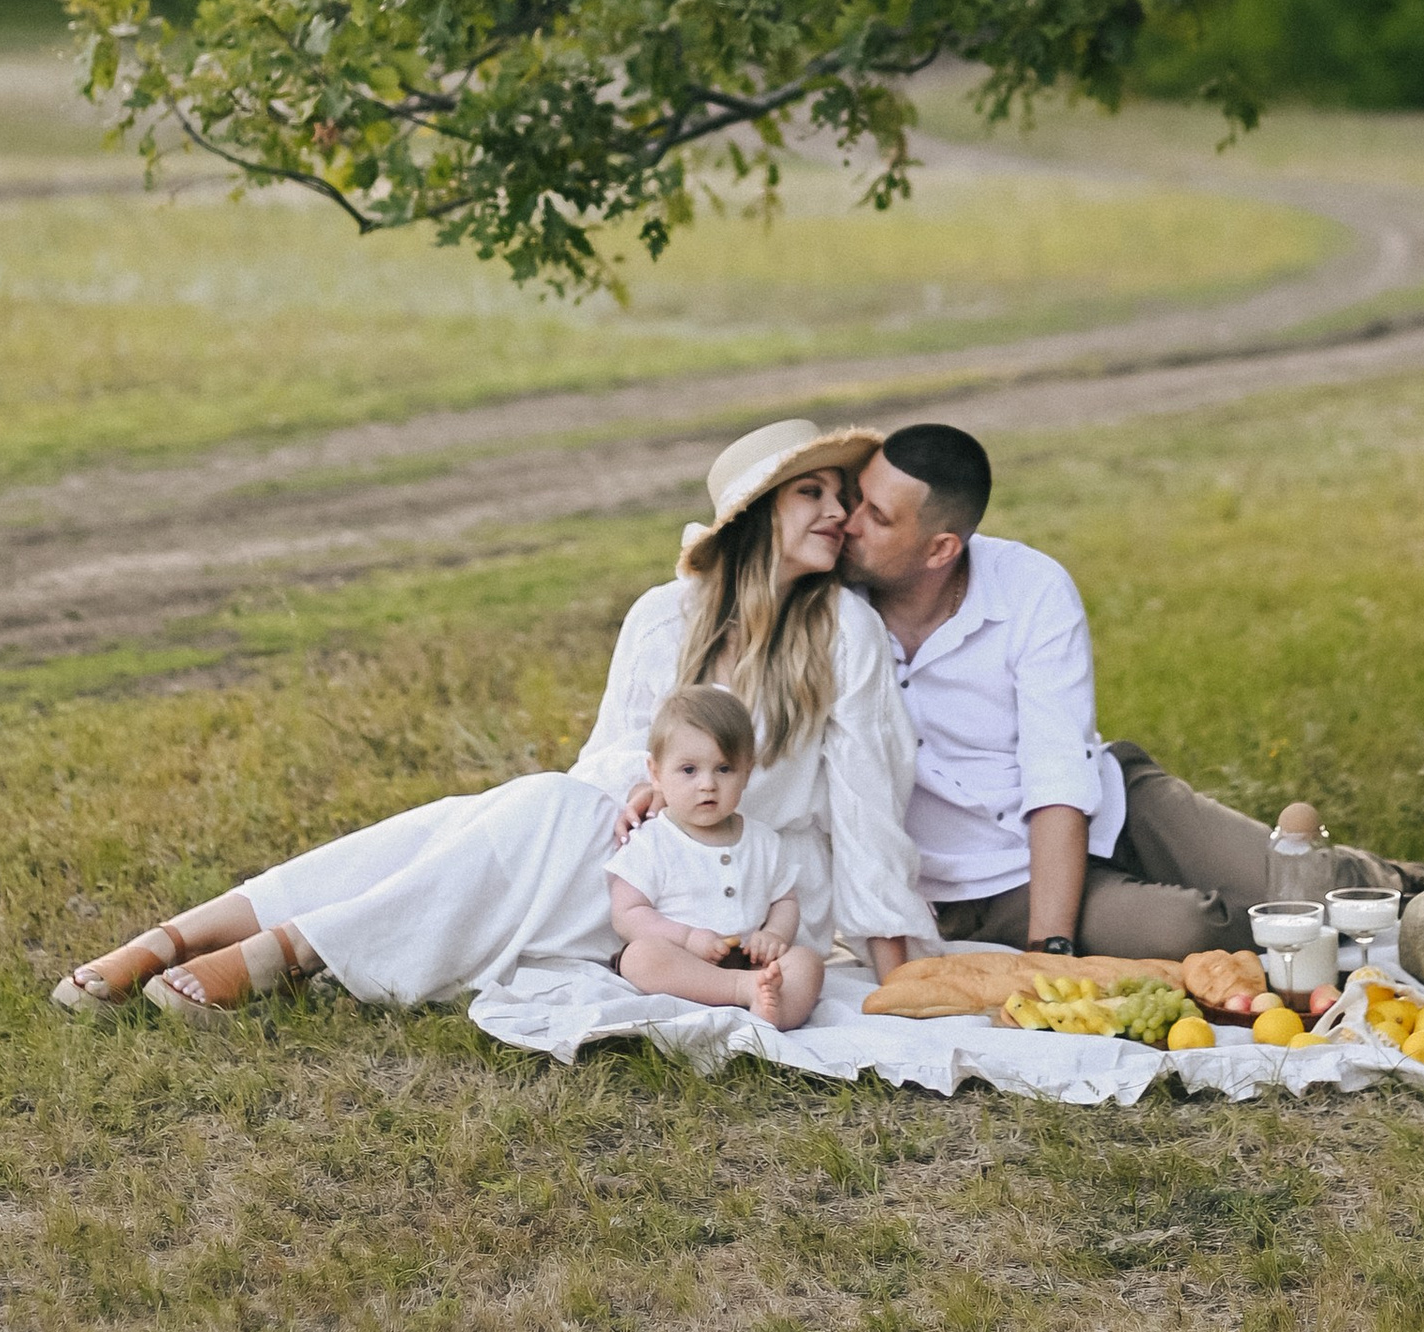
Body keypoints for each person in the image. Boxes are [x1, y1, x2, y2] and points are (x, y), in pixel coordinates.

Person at [49, 418, 933, 1020]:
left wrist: (895, 957)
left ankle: (286, 945)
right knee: (512, 815)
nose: (838, 514)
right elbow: (611, 753)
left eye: (840, 494)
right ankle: (199, 935)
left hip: (739, 880)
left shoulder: (841, 632)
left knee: (518, 824)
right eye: (811, 493)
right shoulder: (665, 615)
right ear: (755, 518)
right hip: (626, 839)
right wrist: (637, 789)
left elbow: (866, 801)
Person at [838, 422, 1404, 959]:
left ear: (940, 550)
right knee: (1196, 928)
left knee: (1310, 876)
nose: (849, 522)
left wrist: (1050, 949)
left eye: (877, 516)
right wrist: (1048, 948)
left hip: (1115, 805)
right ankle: (1323, 930)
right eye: (856, 498)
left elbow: (1056, 770)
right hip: (990, 885)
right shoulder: (824, 615)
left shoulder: (1029, 587)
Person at [606, 683, 827, 1030]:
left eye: (724, 769)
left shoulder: (763, 841)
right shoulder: (652, 841)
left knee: (807, 962)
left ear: (747, 773)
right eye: (689, 770)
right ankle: (740, 991)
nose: (707, 784)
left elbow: (785, 899)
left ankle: (772, 1012)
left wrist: (774, 935)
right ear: (656, 774)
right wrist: (686, 938)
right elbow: (627, 913)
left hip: (749, 960)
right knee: (640, 957)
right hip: (681, 960)